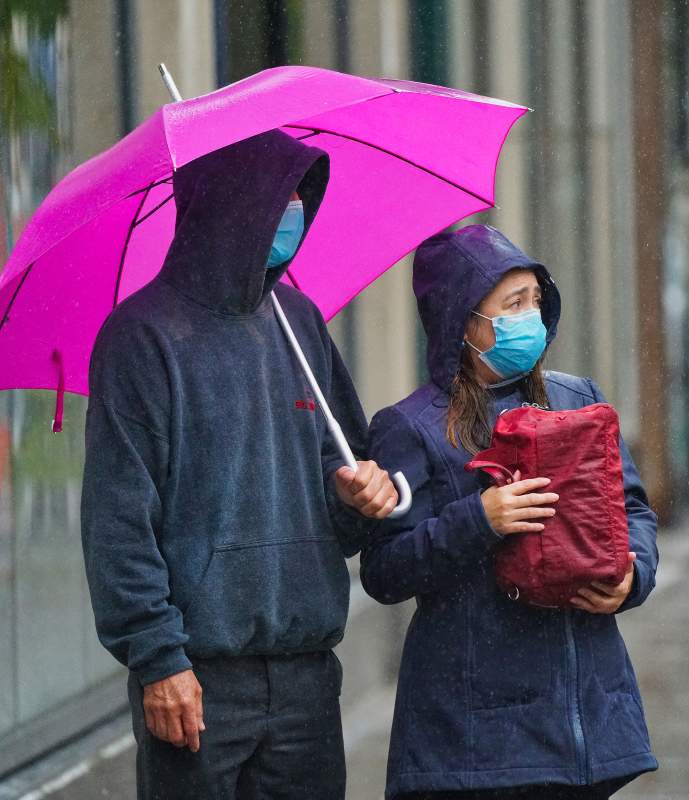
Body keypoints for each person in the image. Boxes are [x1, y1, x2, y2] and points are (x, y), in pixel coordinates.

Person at [80, 129, 398, 800]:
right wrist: (158, 658)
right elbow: (118, 522)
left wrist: (359, 496)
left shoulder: (299, 323)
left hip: (308, 673)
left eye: (301, 197)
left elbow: (344, 482)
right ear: (228, 204)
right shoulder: (142, 339)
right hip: (197, 680)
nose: (294, 213)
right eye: (277, 196)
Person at [361, 225, 659, 799]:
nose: (533, 318)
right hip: (477, 738)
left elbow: (632, 509)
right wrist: (480, 519)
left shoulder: (578, 400)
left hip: (587, 722)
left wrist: (632, 574)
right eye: (513, 304)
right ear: (463, 322)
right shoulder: (411, 427)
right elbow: (384, 570)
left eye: (536, 302)